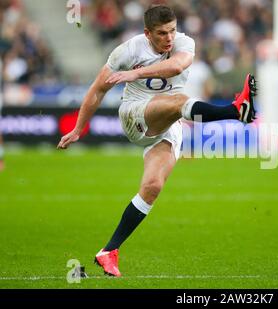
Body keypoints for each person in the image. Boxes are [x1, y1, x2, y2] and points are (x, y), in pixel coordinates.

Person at [57, 5, 256, 277]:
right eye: (162, 33)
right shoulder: (128, 51)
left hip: (168, 123)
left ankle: (108, 252)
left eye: (172, 30)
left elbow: (176, 66)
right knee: (178, 102)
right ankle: (235, 111)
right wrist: (79, 128)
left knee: (152, 186)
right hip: (135, 113)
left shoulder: (185, 43)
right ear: (147, 33)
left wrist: (134, 74)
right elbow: (98, 89)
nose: (169, 38)